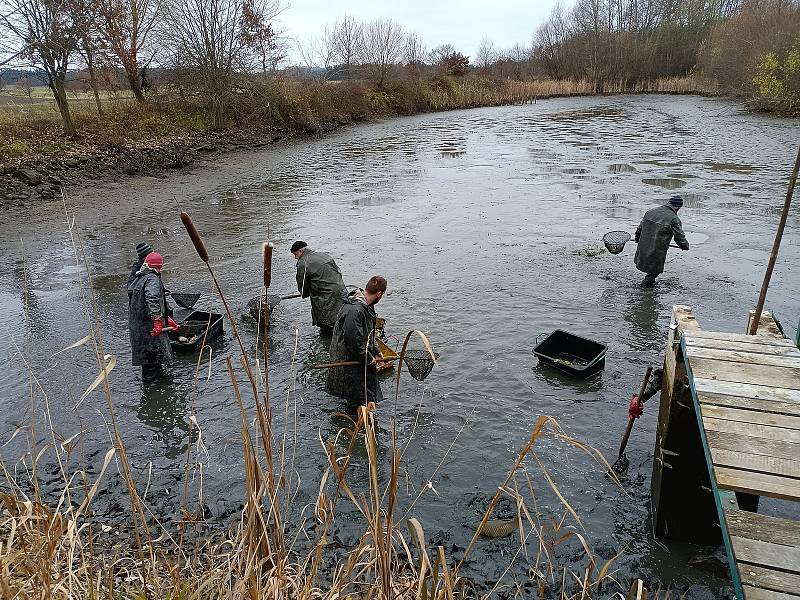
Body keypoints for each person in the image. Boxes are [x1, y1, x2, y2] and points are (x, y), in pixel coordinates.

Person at [325, 276, 388, 407]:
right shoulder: (355, 310)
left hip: (357, 357)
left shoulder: (366, 305)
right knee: (357, 399)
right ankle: (356, 421)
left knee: (364, 394)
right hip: (349, 360)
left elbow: (368, 333)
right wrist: (368, 358)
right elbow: (353, 341)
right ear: (379, 294)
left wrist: (376, 351)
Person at [128, 252, 178, 384]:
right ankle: (152, 393)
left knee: (153, 360)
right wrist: (157, 320)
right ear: (159, 267)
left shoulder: (139, 278)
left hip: (138, 327)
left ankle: (158, 382)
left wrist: (166, 319)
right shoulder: (152, 279)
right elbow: (152, 299)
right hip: (148, 328)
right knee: (150, 362)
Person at [292, 241, 347, 335]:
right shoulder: (323, 255)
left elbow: (302, 284)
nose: (295, 257)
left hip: (325, 296)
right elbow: (338, 271)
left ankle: (328, 342)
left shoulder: (303, 263)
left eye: (295, 254)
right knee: (340, 318)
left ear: (301, 251)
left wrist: (304, 293)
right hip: (341, 290)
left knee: (327, 324)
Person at [634, 196, 689, 287]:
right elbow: (679, 238)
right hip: (658, 248)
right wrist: (685, 246)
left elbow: (640, 228)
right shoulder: (674, 219)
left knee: (649, 266)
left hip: (644, 245)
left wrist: (637, 238)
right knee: (654, 270)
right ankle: (645, 286)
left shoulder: (650, 212)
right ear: (678, 207)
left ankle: (648, 284)